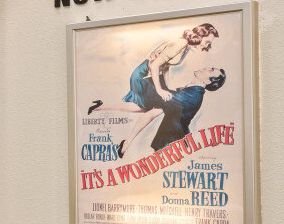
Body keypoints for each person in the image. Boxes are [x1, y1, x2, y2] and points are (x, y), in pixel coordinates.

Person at [87, 34, 226, 155]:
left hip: (171, 143)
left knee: (143, 107)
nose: (206, 67)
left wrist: (160, 87)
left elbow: (150, 113)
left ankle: (99, 107)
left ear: (208, 81)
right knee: (144, 106)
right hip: (169, 142)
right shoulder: (190, 91)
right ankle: (101, 109)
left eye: (211, 70)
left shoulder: (190, 96)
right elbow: (152, 111)